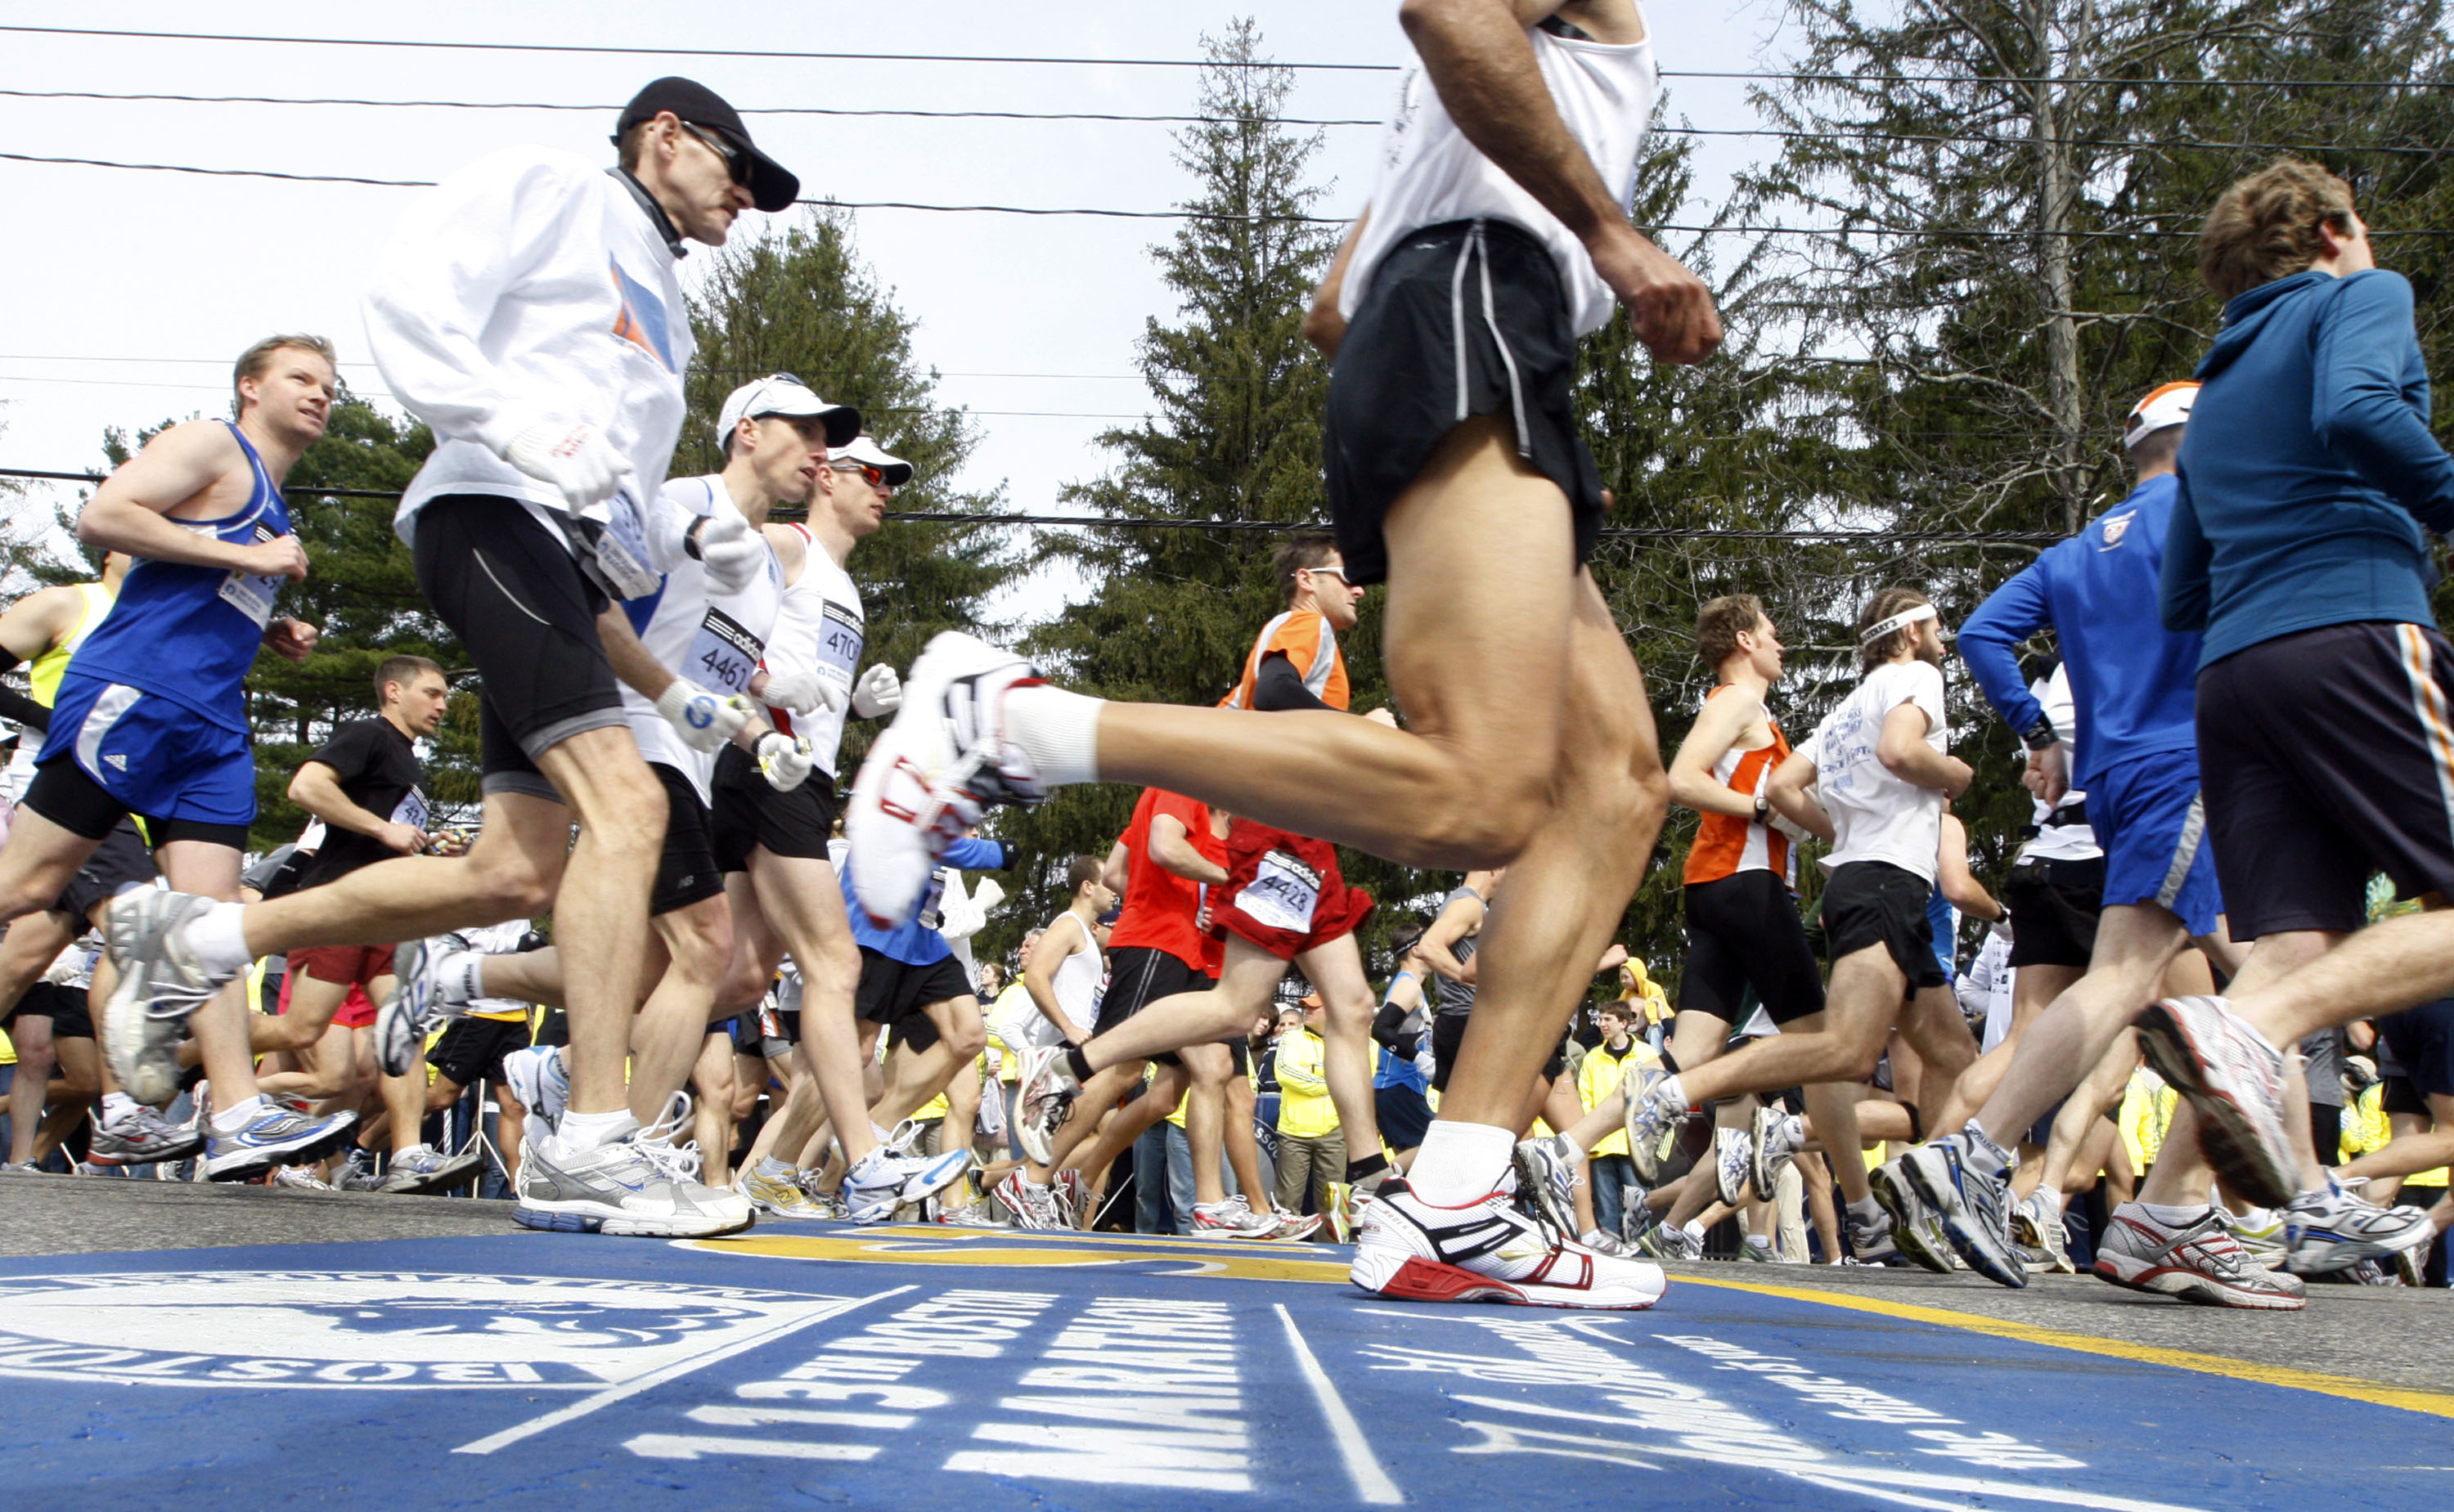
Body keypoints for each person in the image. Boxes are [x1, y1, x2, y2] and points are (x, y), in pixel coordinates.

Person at [850, 0, 1713, 1308]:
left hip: (1459, 321)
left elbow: (1328, 307)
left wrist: (1473, 280)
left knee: (1615, 785)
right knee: (1483, 791)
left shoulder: (1490, 128)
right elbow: (1447, 11)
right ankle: (1009, 722)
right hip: (1478, 303)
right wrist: (1608, 232)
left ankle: (1460, 1193)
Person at [108, 79, 801, 1235]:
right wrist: (502, 419)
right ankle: (586, 1140)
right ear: (661, 136)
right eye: (735, 167)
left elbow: (609, 478)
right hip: (490, 513)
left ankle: (199, 935)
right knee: (624, 809)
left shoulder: (665, 297)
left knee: (513, 874)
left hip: (562, 562)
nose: (744, 197)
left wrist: (673, 542)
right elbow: (412, 292)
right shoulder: (561, 189)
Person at [2119, 160, 2454, 1273]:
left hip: (2237, 676)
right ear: (2328, 228)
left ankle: (2163, 1214)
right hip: (2353, 629)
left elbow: (2182, 593)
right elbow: (2359, 409)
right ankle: (2244, 1033)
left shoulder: (2212, 401)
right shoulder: (2364, 293)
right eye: (2359, 225)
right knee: (2307, 976)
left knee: (2299, 939)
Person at [0, 334, 344, 1181]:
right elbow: (106, 516)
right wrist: (248, 557)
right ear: (250, 386)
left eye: (330, 386)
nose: (320, 395)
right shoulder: (208, 441)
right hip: (137, 698)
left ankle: (234, 1114)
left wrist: (266, 625)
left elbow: (199, 584)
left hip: (213, 726)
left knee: (211, 921)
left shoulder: (274, 500)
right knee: (28, 887)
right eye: (301, 379)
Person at [1620, 589, 1975, 1272]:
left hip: (1730, 885)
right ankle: (1869, 1211)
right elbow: (1684, 779)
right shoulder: (1740, 701)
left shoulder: (1812, 712)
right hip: (1748, 884)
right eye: (1773, 633)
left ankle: (1568, 1146)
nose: (1783, 644)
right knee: (1830, 1053)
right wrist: (1771, 809)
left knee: (1700, 1050)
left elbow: (1790, 792)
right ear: (1746, 640)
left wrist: (1832, 826)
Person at [714, 429, 915, 1218]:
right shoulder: (788, 542)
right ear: (824, 476)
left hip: (793, 772)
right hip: (768, 766)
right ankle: (864, 1161)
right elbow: (701, 588)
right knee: (836, 969)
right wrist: (764, 679)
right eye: (872, 473)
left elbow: (812, 681)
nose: (885, 489)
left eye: (892, 480)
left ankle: (572, 1077)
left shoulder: (842, 583)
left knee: (728, 973)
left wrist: (854, 704)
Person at [0, 550, 186, 1167]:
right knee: (136, 932)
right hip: (67, 798)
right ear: (111, 546)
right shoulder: (68, 604)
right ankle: (122, 1113)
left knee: (19, 959)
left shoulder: (162, 623)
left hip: (126, 807)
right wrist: (53, 722)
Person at [1272, 993, 1343, 1230]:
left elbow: (1361, 1077)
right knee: (1286, 1205)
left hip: (1335, 1132)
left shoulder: (1346, 1040)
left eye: (1314, 1007)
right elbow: (1284, 1073)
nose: (1307, 1011)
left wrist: (1315, 1081)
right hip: (1294, 1132)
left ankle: (1335, 1259)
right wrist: (1331, 1085)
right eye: (1305, 1007)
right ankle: (1280, 1256)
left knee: (1334, 1208)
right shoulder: (1291, 1038)